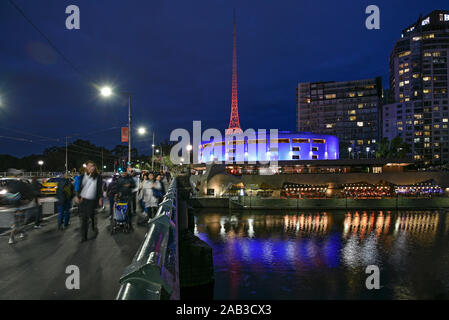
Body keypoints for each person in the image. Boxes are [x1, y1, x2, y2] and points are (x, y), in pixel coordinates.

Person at [74, 161, 103, 243]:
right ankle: (84, 237)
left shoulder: (98, 177)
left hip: (92, 200)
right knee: (83, 219)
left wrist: (100, 198)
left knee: (92, 216)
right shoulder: (82, 176)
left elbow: (99, 189)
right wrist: (76, 196)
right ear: (86, 167)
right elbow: (78, 187)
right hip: (83, 200)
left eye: (92, 166)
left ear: (94, 167)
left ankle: (94, 228)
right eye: (88, 166)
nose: (90, 168)